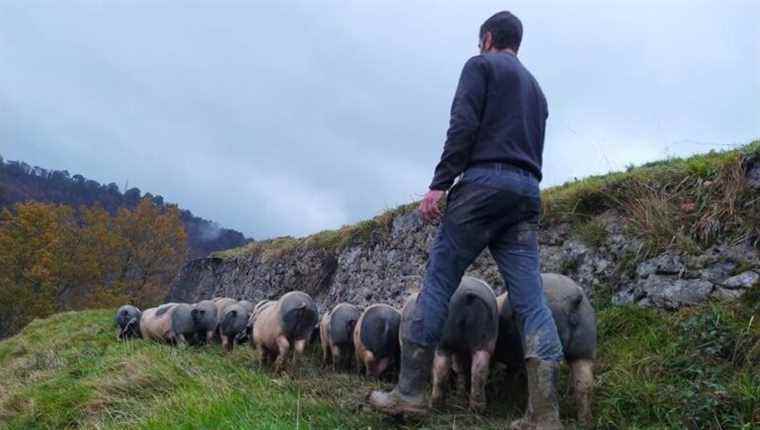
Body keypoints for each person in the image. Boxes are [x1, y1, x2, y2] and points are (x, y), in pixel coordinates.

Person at [368, 11, 564, 430]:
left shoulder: (480, 66)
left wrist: (440, 184)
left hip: (481, 186)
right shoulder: (538, 91)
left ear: (488, 38)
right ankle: (545, 415)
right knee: (531, 303)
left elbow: (463, 126)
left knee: (437, 284)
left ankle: (410, 394)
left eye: (481, 42)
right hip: (527, 191)